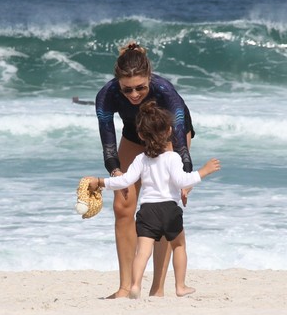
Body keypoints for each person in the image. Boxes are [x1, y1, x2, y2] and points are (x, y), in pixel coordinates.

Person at [86, 101, 220, 298]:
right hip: (169, 210)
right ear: (169, 131)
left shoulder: (140, 159)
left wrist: (100, 181)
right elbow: (183, 180)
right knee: (179, 246)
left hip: (147, 211)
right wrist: (204, 171)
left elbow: (124, 180)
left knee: (143, 252)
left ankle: (135, 285)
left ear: (141, 135)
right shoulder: (173, 157)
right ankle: (180, 286)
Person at [95, 42, 196, 299]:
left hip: (169, 133)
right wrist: (116, 172)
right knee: (122, 206)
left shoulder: (165, 92)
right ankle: (125, 287)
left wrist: (185, 176)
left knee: (162, 202)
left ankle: (158, 288)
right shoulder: (107, 95)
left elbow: (181, 142)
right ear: (118, 83)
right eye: (127, 89)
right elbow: (108, 144)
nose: (134, 95)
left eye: (141, 87)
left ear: (149, 78)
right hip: (133, 134)